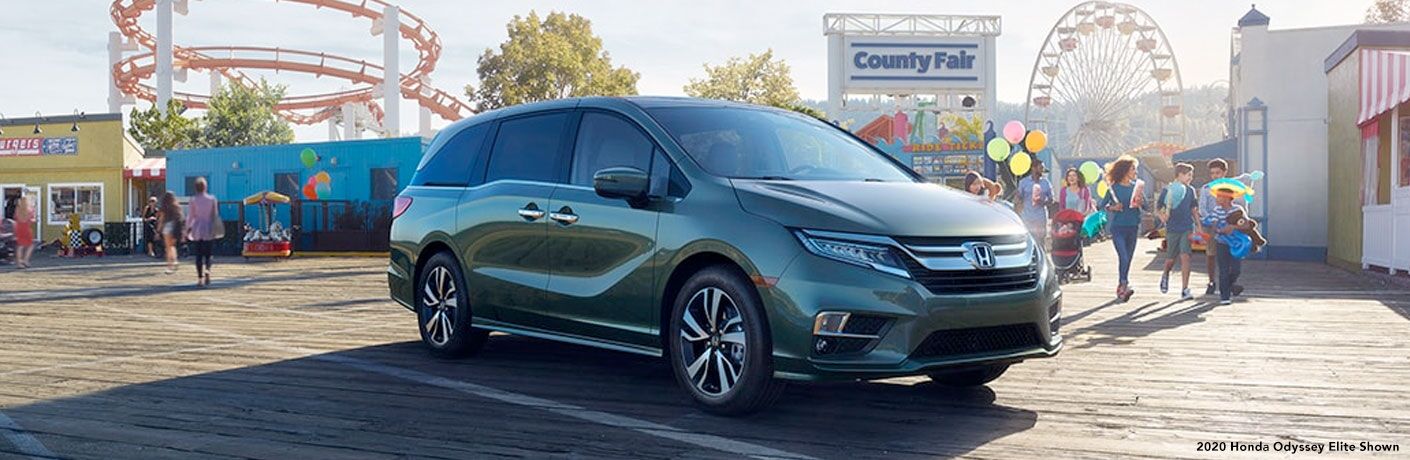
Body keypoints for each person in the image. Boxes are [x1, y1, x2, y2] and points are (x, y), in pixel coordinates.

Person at [1198, 159, 1254, 295]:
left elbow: (1241, 202)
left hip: (1230, 226)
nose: (1215, 176)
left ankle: (1230, 283)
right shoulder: (1206, 189)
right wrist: (1212, 221)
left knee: (1230, 255)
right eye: (1212, 173)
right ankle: (1211, 282)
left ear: (1224, 172)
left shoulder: (1232, 187)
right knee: (1211, 254)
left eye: (1218, 173)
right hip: (1212, 225)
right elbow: (1202, 208)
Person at [1099, 155, 1142, 302]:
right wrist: (1113, 207)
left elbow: (1147, 207)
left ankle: (1122, 285)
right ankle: (1124, 285)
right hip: (1118, 228)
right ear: (1125, 170)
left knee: (1128, 259)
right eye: (1133, 169)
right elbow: (1101, 205)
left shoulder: (1136, 187)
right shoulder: (1113, 188)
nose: (1135, 171)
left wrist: (1139, 201)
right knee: (1123, 256)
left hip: (1133, 227)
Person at [1156, 163, 1201, 300]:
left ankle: (1185, 289)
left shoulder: (1190, 190)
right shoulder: (1167, 190)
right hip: (1172, 228)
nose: (1190, 178)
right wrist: (1162, 216)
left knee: (1185, 256)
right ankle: (1165, 274)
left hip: (1187, 227)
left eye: (1191, 175)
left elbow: (1194, 209)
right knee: (1171, 259)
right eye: (1188, 175)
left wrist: (1198, 225)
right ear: (1179, 175)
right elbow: (1159, 208)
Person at [1205, 188, 1252, 305]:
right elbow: (1214, 225)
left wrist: (1233, 227)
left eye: (1219, 196)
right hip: (1221, 242)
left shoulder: (1238, 209)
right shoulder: (1216, 210)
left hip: (1236, 244)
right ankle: (1224, 296)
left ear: (1227, 198)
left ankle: (1229, 285)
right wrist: (1219, 230)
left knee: (1236, 270)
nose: (1217, 199)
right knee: (1223, 270)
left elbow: (1246, 224)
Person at [185, 177, 219, 287]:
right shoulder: (212, 199)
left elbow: (190, 216)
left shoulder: (193, 200)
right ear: (205, 187)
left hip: (197, 228)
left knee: (198, 255)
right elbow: (214, 215)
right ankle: (208, 269)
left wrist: (187, 228)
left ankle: (200, 278)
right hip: (209, 227)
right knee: (209, 254)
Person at [1016, 159, 1054, 242]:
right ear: (1033, 168)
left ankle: (1042, 254)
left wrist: (1043, 202)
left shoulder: (1046, 183)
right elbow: (1018, 198)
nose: (1043, 170)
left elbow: (1052, 200)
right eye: (1041, 168)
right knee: (1027, 240)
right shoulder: (1024, 182)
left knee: (1040, 240)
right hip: (1027, 216)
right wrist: (1018, 198)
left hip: (1040, 217)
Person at [157, 191, 182, 274]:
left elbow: (161, 219)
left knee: (168, 247)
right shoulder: (176, 206)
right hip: (176, 227)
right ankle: (175, 260)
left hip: (167, 226)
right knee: (172, 246)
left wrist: (158, 231)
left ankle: (169, 266)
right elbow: (180, 217)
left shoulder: (164, 207)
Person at [13, 193, 35, 269]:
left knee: (20, 245)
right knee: (30, 245)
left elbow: (15, 218)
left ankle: (19, 262)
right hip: (26, 227)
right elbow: (31, 219)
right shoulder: (29, 209)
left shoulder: (18, 209)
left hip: (18, 227)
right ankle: (25, 260)